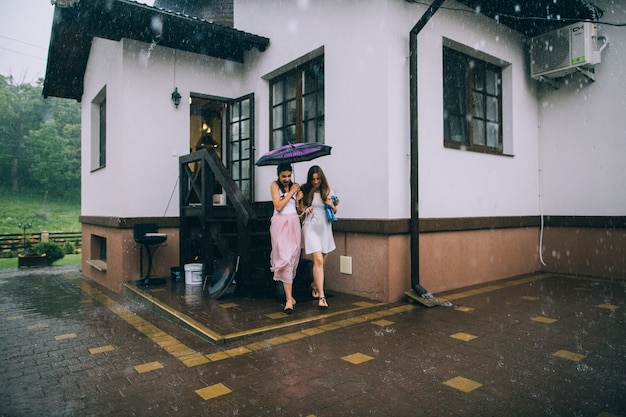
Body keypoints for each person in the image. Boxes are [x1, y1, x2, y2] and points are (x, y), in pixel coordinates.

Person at [300, 165, 337, 310]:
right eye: (313, 179)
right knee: (318, 259)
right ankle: (322, 296)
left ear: (322, 178)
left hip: (325, 228)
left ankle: (315, 284)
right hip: (311, 227)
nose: (315, 182)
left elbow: (335, 209)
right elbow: (300, 209)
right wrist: (305, 208)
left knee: (324, 257)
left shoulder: (327, 191)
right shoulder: (305, 190)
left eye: (318, 179)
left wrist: (330, 205)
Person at [269, 163, 303, 314]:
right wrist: (291, 193)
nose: (287, 179)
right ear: (278, 175)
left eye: (289, 176)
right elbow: (278, 206)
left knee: (293, 257)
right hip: (280, 223)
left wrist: (298, 199)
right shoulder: (274, 185)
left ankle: (290, 296)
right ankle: (289, 300)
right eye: (284, 176)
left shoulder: (295, 186)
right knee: (284, 257)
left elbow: (298, 209)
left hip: (294, 222)